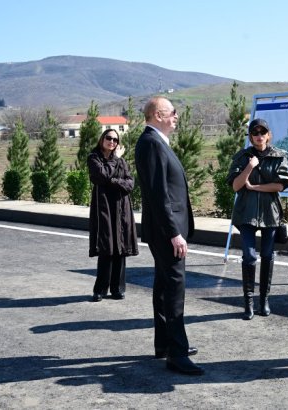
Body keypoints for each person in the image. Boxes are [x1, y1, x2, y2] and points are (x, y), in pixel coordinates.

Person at [134, 96, 203, 376]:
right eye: (173, 112)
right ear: (158, 115)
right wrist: (174, 232)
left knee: (164, 285)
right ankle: (177, 352)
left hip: (164, 228)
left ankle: (164, 343)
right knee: (174, 287)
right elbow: (158, 193)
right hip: (166, 230)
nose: (176, 116)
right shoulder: (151, 142)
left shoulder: (156, 141)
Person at [227, 118, 288, 320]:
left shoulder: (279, 156)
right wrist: (249, 167)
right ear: (250, 136)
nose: (259, 136)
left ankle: (264, 300)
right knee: (249, 256)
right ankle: (248, 303)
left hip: (270, 214)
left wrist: (255, 187)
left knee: (267, 255)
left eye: (262, 132)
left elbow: (280, 186)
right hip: (246, 214)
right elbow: (236, 186)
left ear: (268, 135)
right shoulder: (242, 157)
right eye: (255, 133)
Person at [88, 128, 139, 302]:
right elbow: (102, 176)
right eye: (109, 138)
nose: (112, 142)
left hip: (121, 207)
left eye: (115, 140)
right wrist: (115, 161)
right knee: (106, 247)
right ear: (102, 139)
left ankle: (117, 288)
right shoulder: (94, 158)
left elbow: (130, 183)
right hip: (104, 207)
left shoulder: (121, 161)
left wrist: (113, 181)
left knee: (120, 248)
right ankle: (100, 290)